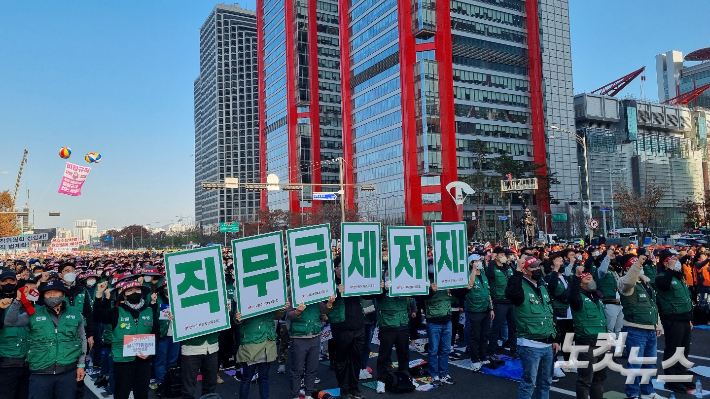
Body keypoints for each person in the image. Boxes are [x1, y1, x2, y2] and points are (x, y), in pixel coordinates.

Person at [4, 279, 87, 399]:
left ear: (63, 294)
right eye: (48, 293)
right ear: (43, 296)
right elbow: (10, 322)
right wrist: (17, 300)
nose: (52, 296)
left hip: (67, 371)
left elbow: (82, 338)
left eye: (56, 292)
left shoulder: (75, 313)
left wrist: (81, 365)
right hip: (40, 372)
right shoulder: (33, 313)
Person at [93, 280, 159, 399]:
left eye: (137, 290)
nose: (134, 292)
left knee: (142, 393)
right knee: (121, 392)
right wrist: (99, 294)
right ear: (124, 295)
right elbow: (98, 315)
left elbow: (156, 333)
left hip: (143, 361)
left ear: (142, 293)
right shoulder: (117, 311)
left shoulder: (149, 311)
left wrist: (150, 350)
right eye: (130, 291)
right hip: (122, 361)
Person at [505, 257, 557, 399]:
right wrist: (517, 272)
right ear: (525, 271)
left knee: (546, 382)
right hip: (530, 344)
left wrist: (555, 338)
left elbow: (550, 313)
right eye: (533, 267)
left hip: (547, 344)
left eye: (538, 266)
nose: (537, 269)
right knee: (529, 383)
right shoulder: (520, 285)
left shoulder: (542, 286)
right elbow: (511, 293)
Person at [618, 253, 664, 399]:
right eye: (635, 265)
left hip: (650, 329)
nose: (640, 267)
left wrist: (658, 324)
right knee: (635, 365)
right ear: (628, 269)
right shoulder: (624, 282)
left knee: (650, 365)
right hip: (635, 329)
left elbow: (652, 305)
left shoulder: (646, 283)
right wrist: (637, 265)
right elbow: (628, 283)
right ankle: (632, 394)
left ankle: (647, 392)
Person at [655, 250, 694, 394]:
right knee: (673, 350)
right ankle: (671, 380)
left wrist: (689, 318)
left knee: (683, 350)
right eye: (673, 260)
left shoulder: (678, 277)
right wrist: (670, 269)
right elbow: (664, 286)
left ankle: (681, 375)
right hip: (672, 319)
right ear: (666, 263)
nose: (676, 262)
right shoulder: (661, 278)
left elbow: (685, 299)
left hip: (684, 318)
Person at [329, 258, 367, 399]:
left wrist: (380, 286)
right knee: (342, 360)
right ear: (335, 268)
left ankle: (354, 387)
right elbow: (326, 301)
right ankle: (344, 388)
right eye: (340, 266)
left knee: (357, 359)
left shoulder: (354, 280)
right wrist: (338, 292)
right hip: (341, 326)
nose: (343, 269)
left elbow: (369, 293)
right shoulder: (330, 282)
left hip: (359, 325)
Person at [234, 302, 288, 399]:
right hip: (251, 343)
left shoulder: (270, 295)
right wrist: (238, 318)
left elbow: (276, 315)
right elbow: (236, 319)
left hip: (267, 342)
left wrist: (282, 309)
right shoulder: (244, 294)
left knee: (264, 377)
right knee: (247, 378)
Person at [569, 266, 607, 399]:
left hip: (602, 342)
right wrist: (575, 276)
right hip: (586, 343)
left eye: (591, 277)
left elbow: (603, 320)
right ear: (580, 282)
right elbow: (571, 294)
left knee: (599, 378)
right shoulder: (577, 298)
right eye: (586, 277)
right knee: (585, 380)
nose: (590, 278)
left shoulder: (596, 296)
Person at [287, 296, 335, 399]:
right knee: (297, 370)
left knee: (312, 369)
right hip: (299, 336)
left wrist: (329, 303)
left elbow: (324, 309)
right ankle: (295, 396)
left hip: (315, 335)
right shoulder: (294, 296)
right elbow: (289, 314)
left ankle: (308, 394)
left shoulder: (315, 295)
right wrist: (297, 312)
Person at [373, 274, 413, 393]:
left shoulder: (406, 278)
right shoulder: (380, 281)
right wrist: (383, 288)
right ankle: (381, 380)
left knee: (404, 354)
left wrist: (426, 288)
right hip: (387, 324)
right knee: (384, 355)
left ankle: (405, 377)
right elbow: (373, 296)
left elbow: (415, 298)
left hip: (403, 323)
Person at [424, 265, 456, 386]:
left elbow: (457, 291)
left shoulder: (446, 278)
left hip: (447, 319)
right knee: (433, 350)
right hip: (433, 320)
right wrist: (431, 291)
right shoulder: (425, 280)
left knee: (446, 349)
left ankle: (444, 373)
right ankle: (434, 374)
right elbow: (422, 297)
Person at [0, 270, 30, 399]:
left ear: (16, 282)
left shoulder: (24, 298)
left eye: (11, 281)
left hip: (27, 360)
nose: (8, 283)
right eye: (4, 281)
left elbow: (33, 317)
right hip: (6, 360)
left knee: (24, 395)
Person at [487, 246, 518, 359]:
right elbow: (489, 275)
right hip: (500, 301)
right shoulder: (493, 268)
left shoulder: (508, 267)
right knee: (496, 327)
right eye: (501, 255)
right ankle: (491, 350)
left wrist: (511, 264)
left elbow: (515, 277)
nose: (503, 257)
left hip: (511, 301)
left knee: (513, 327)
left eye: (504, 255)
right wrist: (491, 261)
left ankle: (514, 349)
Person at [464, 254, 493, 372]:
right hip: (475, 309)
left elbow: (488, 292)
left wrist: (491, 308)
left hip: (485, 308)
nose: (479, 263)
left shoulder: (484, 276)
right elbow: (469, 286)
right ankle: (475, 360)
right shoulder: (468, 275)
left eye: (480, 261)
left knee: (485, 335)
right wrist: (473, 271)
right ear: (471, 263)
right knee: (475, 335)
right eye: (477, 261)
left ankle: (483, 356)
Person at [153, 280, 180, 391]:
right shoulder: (157, 299)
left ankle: (171, 381)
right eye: (165, 286)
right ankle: (161, 383)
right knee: (161, 360)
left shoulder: (179, 297)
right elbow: (153, 316)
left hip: (176, 334)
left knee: (173, 360)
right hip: (163, 335)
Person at [594, 249, 623, 338]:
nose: (613, 257)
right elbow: (603, 270)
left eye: (613, 256)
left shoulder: (615, 271)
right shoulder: (601, 271)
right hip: (609, 303)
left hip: (619, 302)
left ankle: (618, 351)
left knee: (619, 330)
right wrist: (607, 257)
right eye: (611, 256)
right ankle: (607, 351)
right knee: (609, 329)